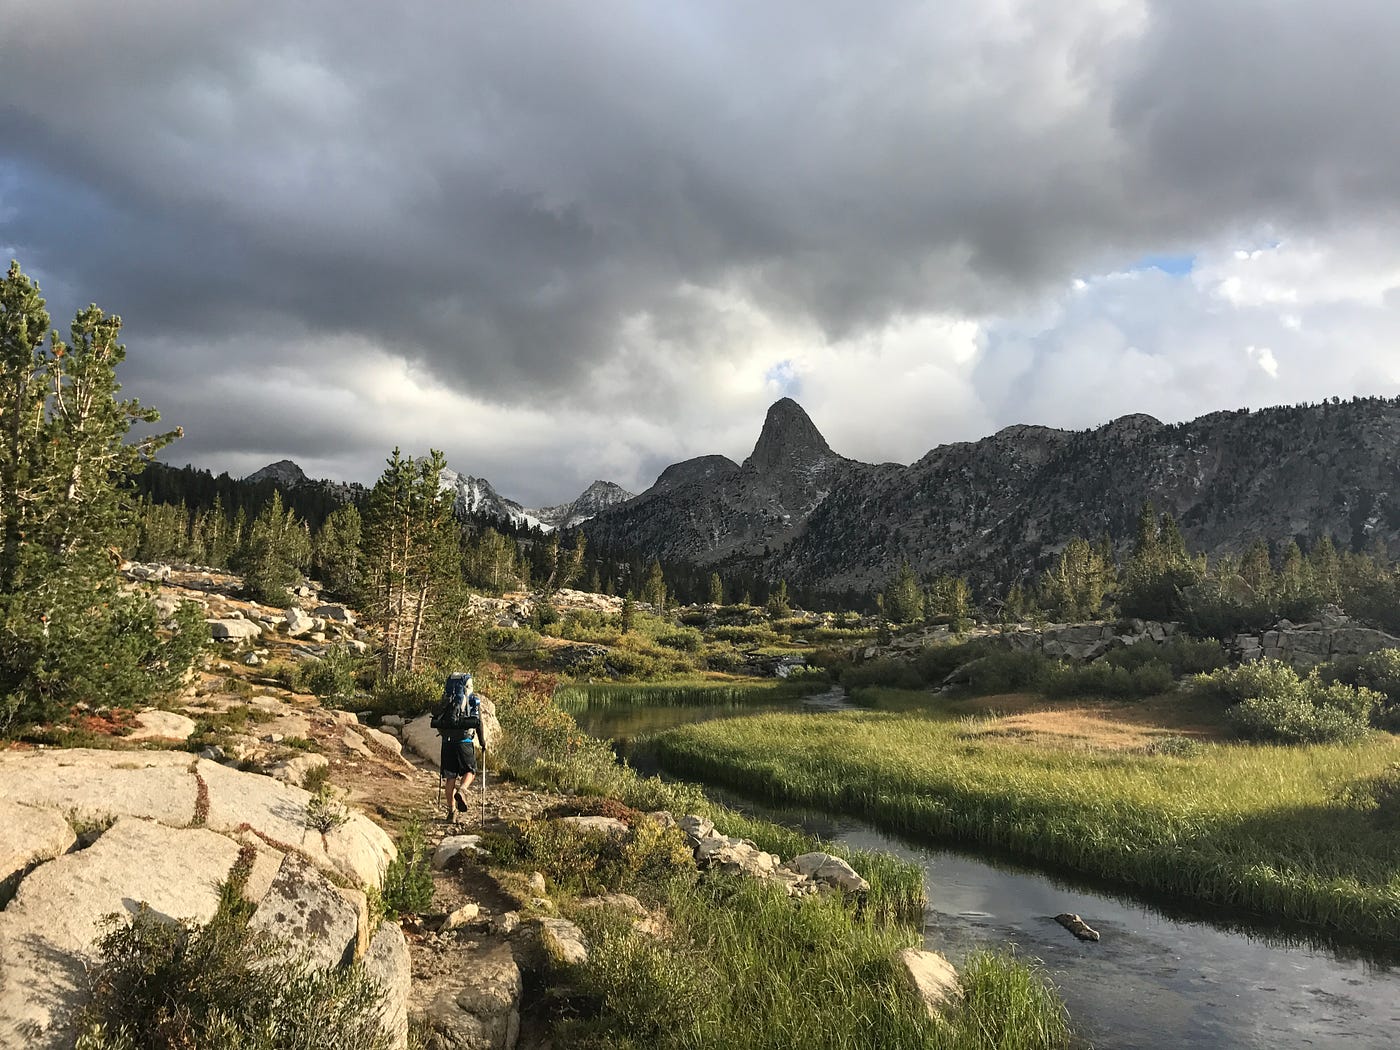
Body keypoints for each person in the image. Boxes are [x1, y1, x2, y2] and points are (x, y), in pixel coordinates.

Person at [429, 671, 488, 822]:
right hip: (464, 741)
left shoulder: (446, 698)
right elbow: (479, 723)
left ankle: (451, 812)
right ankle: (463, 790)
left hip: (447, 742)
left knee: (450, 777)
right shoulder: (473, 699)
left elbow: (436, 714)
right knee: (470, 770)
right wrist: (482, 742)